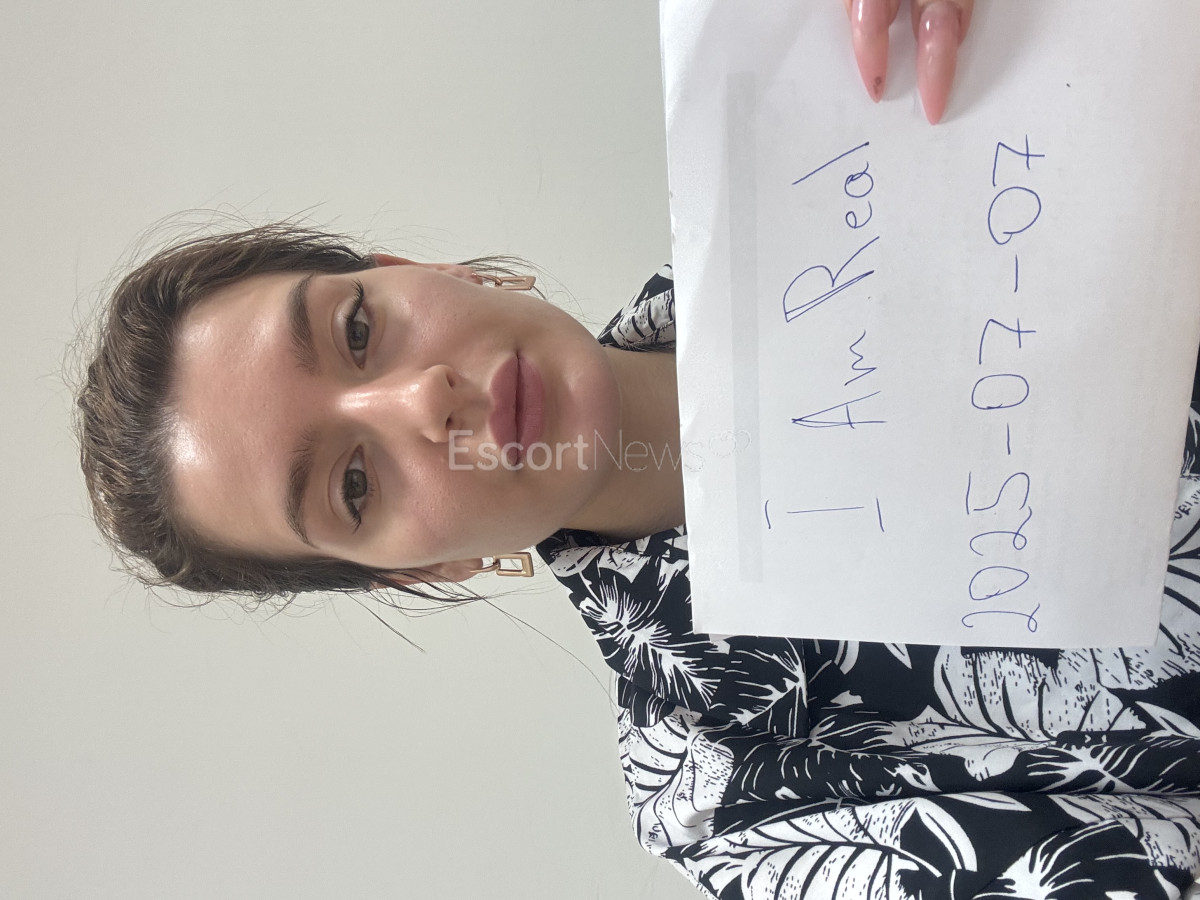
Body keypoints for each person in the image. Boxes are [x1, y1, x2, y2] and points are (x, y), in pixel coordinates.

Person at [75, 11, 1200, 900]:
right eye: (353, 483)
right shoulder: (726, 787)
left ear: (418, 269)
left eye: (358, 328)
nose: (420, 398)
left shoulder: (830, 109)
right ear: (421, 570)